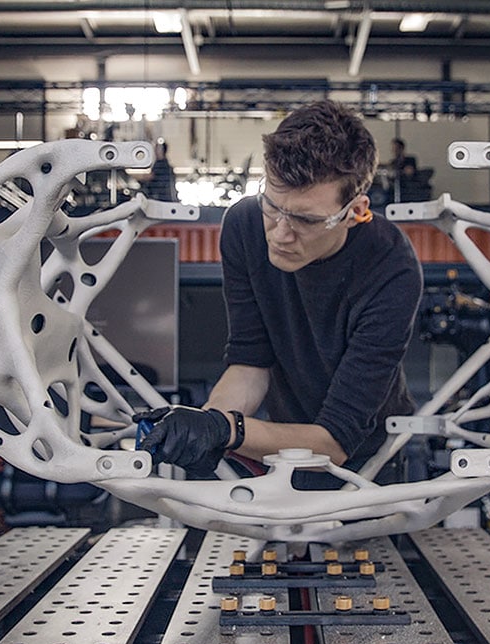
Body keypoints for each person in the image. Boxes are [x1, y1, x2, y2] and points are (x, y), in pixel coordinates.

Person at [134, 101, 423, 487]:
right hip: (280, 447)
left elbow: (334, 440)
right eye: (272, 205)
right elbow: (250, 363)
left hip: (369, 465)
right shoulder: (244, 225)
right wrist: (207, 424)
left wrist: (227, 430)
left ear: (356, 211)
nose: (280, 233)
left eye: (305, 219)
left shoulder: (391, 265)